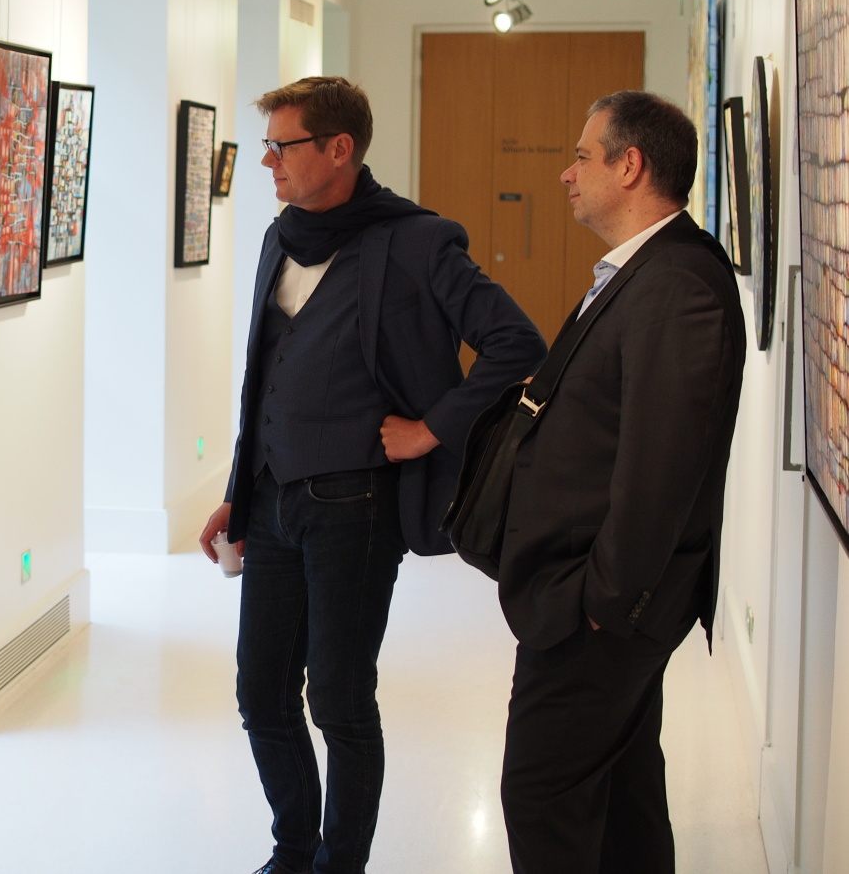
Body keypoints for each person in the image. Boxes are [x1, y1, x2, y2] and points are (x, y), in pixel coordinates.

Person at [198, 76, 546, 874]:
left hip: (354, 506)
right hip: (273, 498)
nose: (267, 162)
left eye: (281, 147)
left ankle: (339, 864)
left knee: (340, 699)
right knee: (261, 694)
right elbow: (264, 378)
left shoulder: (417, 241)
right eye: (267, 147)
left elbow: (517, 343)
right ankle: (293, 850)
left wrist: (432, 428)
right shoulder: (279, 238)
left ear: (339, 149)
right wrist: (238, 491)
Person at [497, 91, 747, 873]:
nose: (567, 174)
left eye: (582, 156)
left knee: (541, 795)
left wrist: (601, 603)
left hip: (601, 610)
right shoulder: (649, 271)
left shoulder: (676, 284)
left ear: (630, 165)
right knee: (622, 796)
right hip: (602, 599)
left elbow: (659, 470)